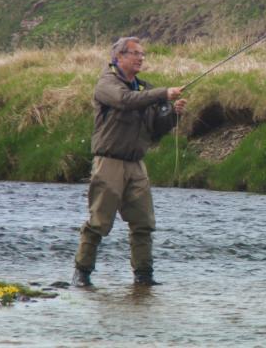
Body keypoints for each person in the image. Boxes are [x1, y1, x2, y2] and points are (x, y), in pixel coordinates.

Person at [72, 36, 186, 287]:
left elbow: (156, 130)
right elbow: (124, 101)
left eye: (143, 54)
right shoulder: (106, 83)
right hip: (109, 163)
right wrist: (162, 94)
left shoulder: (144, 89)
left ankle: (144, 278)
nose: (141, 58)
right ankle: (82, 273)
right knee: (99, 223)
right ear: (119, 57)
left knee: (143, 224)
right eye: (135, 54)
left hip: (137, 165)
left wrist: (173, 115)